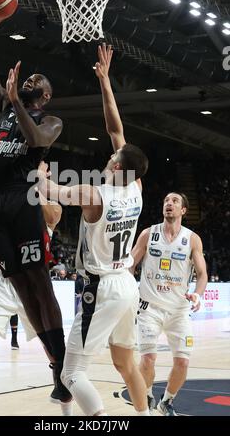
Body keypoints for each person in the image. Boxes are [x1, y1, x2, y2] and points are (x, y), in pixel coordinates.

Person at [37, 44, 149, 416]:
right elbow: (115, 128)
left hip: (100, 287)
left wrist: (39, 170)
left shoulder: (93, 193)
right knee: (125, 364)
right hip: (127, 286)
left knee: (71, 375)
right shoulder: (136, 187)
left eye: (111, 157)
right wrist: (105, 82)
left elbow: (50, 193)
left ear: (117, 168)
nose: (108, 156)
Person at [0, 14, 70, 403]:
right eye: (29, 78)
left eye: (38, 84)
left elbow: (36, 141)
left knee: (40, 285)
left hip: (20, 197)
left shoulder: (51, 120)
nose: (31, 81)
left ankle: (63, 366)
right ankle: (55, 362)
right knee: (21, 289)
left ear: (44, 97)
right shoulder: (3, 108)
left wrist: (15, 100)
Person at [0, 195, 73, 416]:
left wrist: (31, 186)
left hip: (34, 287)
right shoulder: (3, 206)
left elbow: (53, 216)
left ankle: (67, 413)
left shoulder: (46, 205)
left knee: (55, 356)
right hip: (2, 286)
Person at [131, 192, 208, 416]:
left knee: (182, 362)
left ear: (183, 210)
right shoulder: (148, 234)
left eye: (175, 201)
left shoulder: (192, 239)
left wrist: (198, 294)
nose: (169, 204)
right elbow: (130, 265)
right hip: (149, 307)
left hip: (179, 310)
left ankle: (167, 401)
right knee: (147, 359)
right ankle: (146, 393)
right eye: (166, 201)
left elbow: (202, 274)